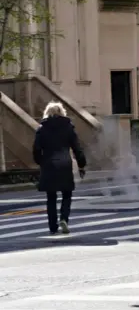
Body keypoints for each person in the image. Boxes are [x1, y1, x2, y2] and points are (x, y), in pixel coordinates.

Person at [32, 101, 87, 235]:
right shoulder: (68, 127)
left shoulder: (41, 129)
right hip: (64, 164)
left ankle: (52, 226)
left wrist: (41, 162)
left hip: (49, 164)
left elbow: (36, 150)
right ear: (62, 113)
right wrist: (81, 165)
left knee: (51, 197)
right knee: (66, 194)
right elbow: (76, 148)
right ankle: (64, 218)